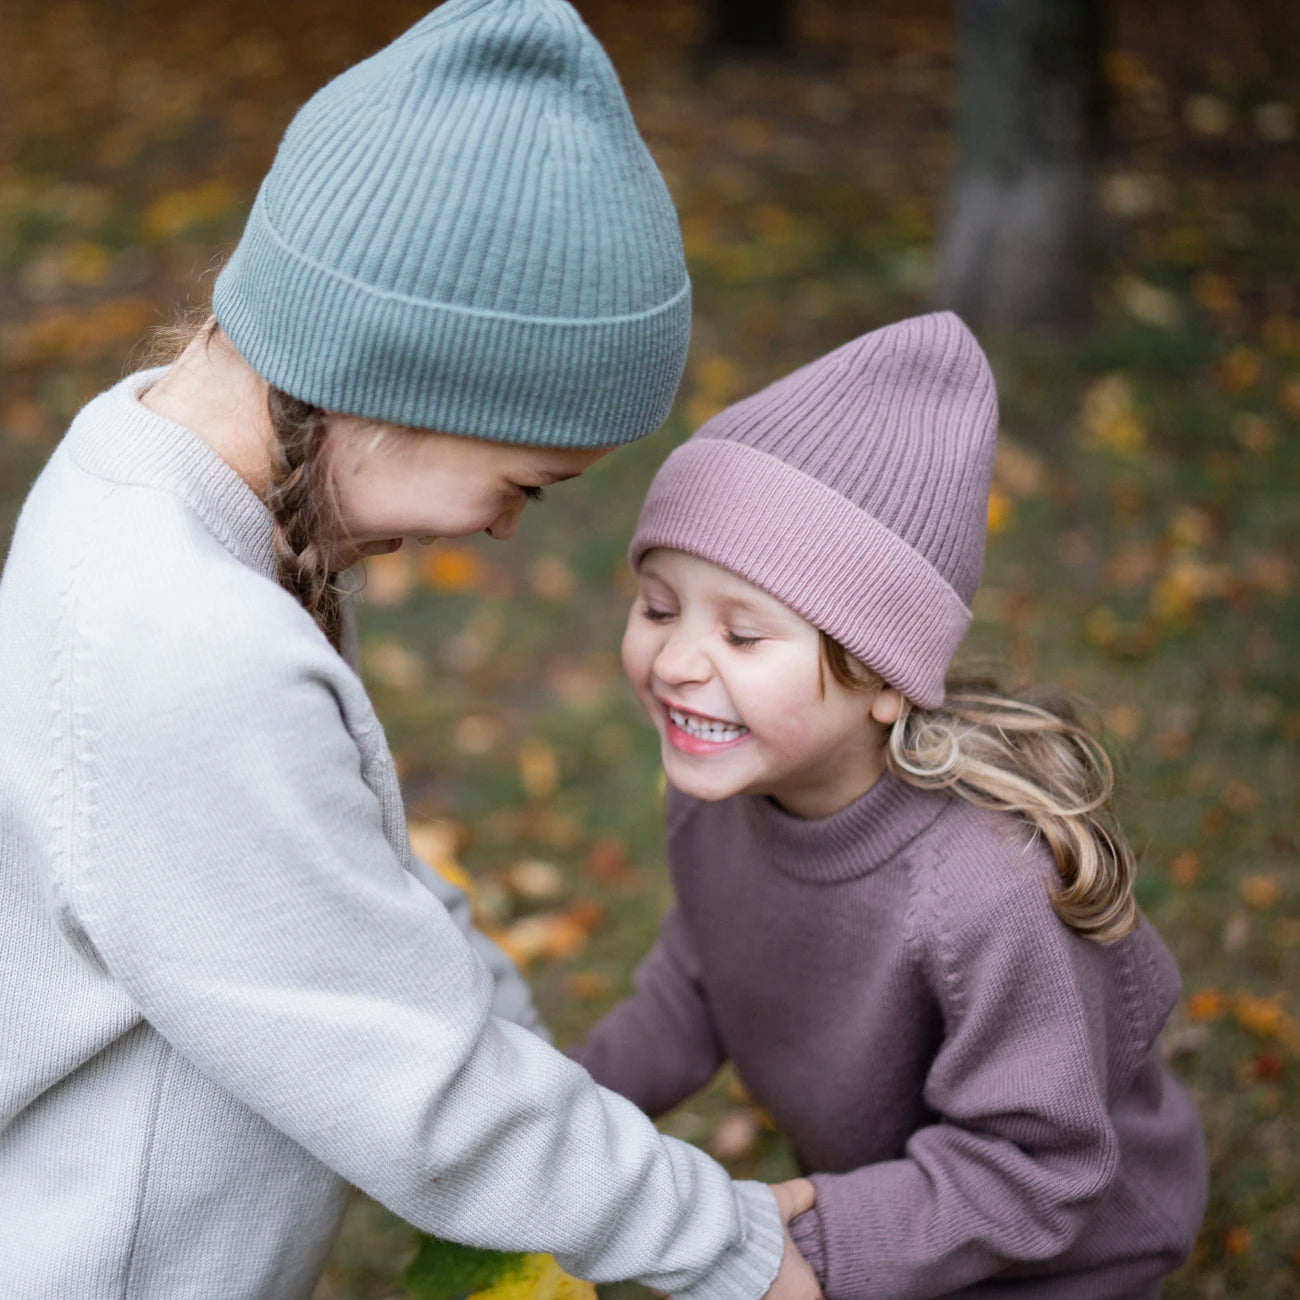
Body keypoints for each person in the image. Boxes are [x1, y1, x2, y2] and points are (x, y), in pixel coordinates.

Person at [0, 2, 820, 1297]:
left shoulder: (145, 481)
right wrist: (733, 1249)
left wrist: (543, 1083)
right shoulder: (185, 644)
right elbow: (412, 1082)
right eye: (527, 482)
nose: (500, 530)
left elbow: (362, 895)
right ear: (404, 377)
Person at [567, 311, 1209, 1299]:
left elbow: (1034, 1170)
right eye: (658, 606)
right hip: (897, 1215)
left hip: (1052, 1264)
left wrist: (807, 1253)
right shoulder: (725, 794)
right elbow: (700, 975)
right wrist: (559, 1112)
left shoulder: (984, 894)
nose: (678, 659)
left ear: (883, 675)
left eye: (743, 635)